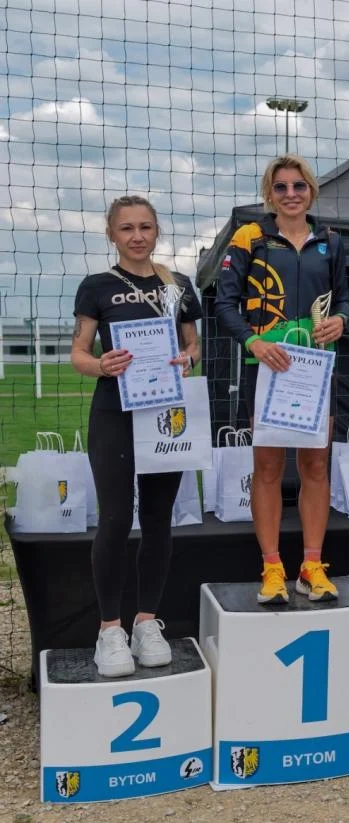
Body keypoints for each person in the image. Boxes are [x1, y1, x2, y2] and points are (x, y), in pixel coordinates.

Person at [70, 195, 203, 677]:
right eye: (127, 228)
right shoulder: (96, 286)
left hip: (165, 413)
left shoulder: (178, 285)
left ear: (156, 230)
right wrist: (101, 365)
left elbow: (194, 343)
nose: (137, 236)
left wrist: (188, 358)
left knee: (158, 519)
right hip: (114, 411)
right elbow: (79, 353)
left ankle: (147, 622)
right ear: (112, 234)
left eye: (145, 227)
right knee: (114, 518)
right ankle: (110, 629)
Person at [214, 154, 349, 605]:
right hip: (266, 367)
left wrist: (342, 322)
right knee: (269, 468)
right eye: (281, 187)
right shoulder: (249, 237)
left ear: (311, 190)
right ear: (269, 194)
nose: (291, 194)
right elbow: (224, 304)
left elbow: (344, 301)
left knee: (315, 466)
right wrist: (252, 342)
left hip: (315, 369)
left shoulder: (331, 240)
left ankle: (312, 566)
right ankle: (272, 568)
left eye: (299, 186)